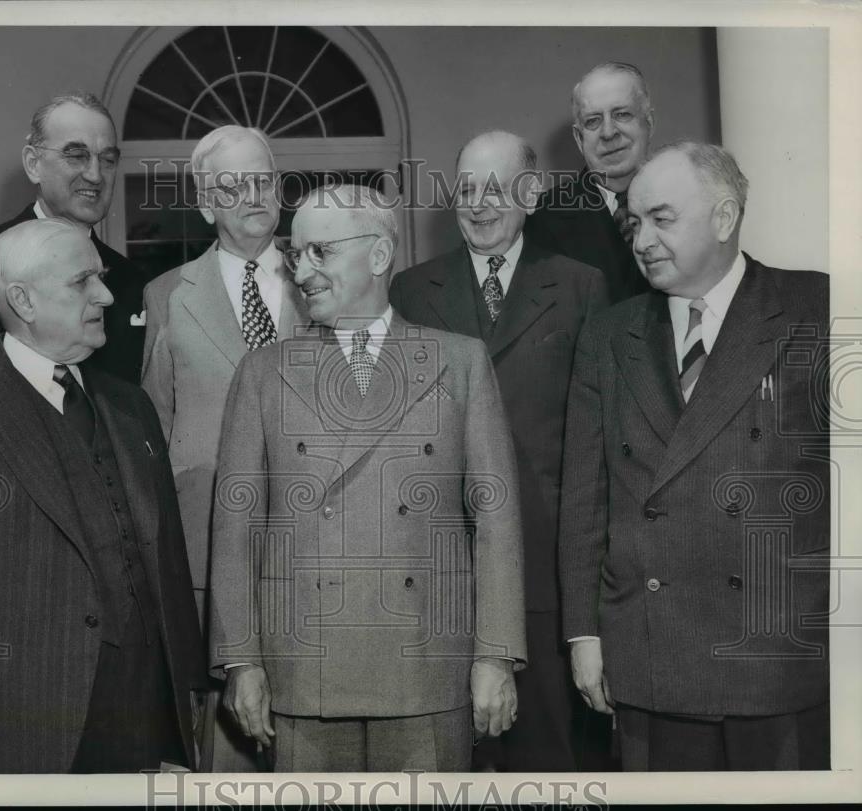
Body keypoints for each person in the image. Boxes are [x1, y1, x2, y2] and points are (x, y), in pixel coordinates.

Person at [209, 183, 527, 772]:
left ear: (379, 257)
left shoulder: (459, 361)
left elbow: (496, 520)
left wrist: (496, 655)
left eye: (319, 253)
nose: (301, 271)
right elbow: (236, 528)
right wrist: (241, 661)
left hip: (429, 671)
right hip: (303, 671)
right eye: (295, 254)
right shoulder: (261, 373)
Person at [0, 219, 205, 773]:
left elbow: (169, 566)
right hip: (14, 715)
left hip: (142, 709)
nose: (106, 295)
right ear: (24, 301)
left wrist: (189, 693)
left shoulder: (133, 407)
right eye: (83, 280)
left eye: (102, 278)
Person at [559, 141, 829, 771]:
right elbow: (583, 500)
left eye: (662, 218)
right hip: (649, 653)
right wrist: (584, 633)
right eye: (634, 222)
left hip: (777, 654)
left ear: (724, 217)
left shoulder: (816, 309)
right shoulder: (608, 334)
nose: (642, 238)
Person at [389, 130, 607, 771]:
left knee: (546, 765)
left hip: (544, 573)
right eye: (466, 189)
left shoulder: (580, 287)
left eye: (497, 188)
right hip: (437, 577)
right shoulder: (409, 291)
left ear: (532, 195)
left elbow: (593, 444)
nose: (479, 204)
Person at [141, 125, 308, 771]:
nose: (252, 195)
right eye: (231, 186)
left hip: (312, 545)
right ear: (206, 203)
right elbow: (155, 427)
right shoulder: (166, 295)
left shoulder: (323, 273)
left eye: (262, 179)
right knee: (225, 751)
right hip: (208, 553)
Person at [0, 91, 150, 384]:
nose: (96, 175)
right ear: (33, 164)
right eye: (76, 156)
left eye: (107, 160)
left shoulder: (129, 280)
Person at [526, 62, 653, 303]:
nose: (608, 133)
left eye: (622, 114)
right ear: (578, 137)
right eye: (593, 121)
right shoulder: (539, 219)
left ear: (649, 123)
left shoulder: (690, 202)